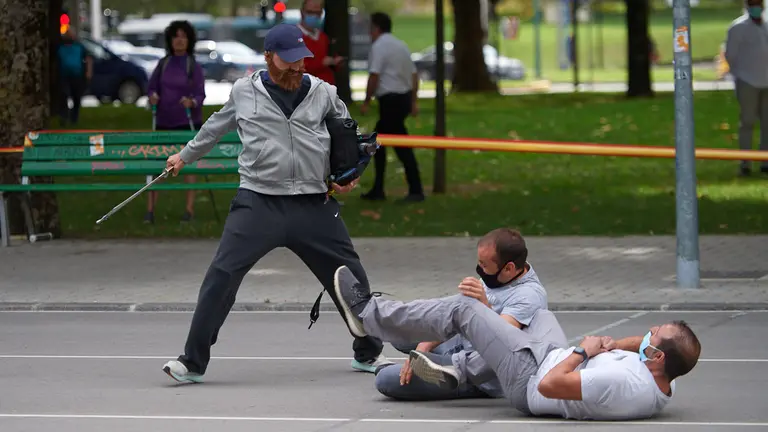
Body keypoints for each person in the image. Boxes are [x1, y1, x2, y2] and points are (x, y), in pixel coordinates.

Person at [160, 24, 393, 384]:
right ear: (268, 57)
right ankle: (192, 362)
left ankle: (369, 352)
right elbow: (214, 128)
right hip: (258, 203)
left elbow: (346, 135)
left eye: (302, 60)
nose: (297, 67)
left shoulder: (323, 92)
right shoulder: (244, 91)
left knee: (350, 278)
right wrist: (184, 156)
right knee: (220, 277)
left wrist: (349, 173)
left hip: (313, 204)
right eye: (288, 61)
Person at [332, 266, 702, 421]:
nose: (647, 332)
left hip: (530, 379)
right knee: (539, 316)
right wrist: (618, 344)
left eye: (653, 334)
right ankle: (469, 367)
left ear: (654, 356)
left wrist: (583, 351)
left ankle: (368, 315)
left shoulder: (623, 385)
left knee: (464, 309)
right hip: (545, 354)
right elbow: (643, 345)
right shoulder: (664, 372)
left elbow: (549, 386)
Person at [375, 228, 548, 401]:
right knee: (400, 332)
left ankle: (443, 372)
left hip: (480, 373)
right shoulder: (501, 276)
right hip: (463, 342)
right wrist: (423, 347)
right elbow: (454, 315)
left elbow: (498, 346)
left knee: (385, 379)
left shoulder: (528, 296)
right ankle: (430, 360)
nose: (480, 269)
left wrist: (483, 306)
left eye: (484, 265)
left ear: (509, 268)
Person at [145, 20, 206, 224]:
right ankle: (150, 210)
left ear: (189, 40)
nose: (179, 40)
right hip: (163, 122)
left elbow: (200, 94)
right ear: (170, 40)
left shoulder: (193, 66)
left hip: (186, 123)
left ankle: (189, 211)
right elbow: (151, 87)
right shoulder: (163, 64)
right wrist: (152, 96)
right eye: (175, 36)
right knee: (157, 166)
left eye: (183, 36)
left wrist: (192, 102)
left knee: (187, 166)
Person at [360, 12, 424, 203]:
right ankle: (380, 188)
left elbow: (374, 76)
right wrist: (413, 101)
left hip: (390, 101)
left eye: (370, 28)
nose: (369, 32)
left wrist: (366, 100)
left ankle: (414, 190)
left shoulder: (379, 47)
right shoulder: (401, 45)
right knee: (380, 142)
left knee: (397, 144)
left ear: (376, 28)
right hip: (402, 99)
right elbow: (414, 75)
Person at [725, 0, 768, 176]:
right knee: (748, 121)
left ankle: (765, 161)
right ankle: (745, 162)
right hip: (747, 81)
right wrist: (739, 74)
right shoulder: (737, 28)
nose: (757, 7)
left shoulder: (766, 25)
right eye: (753, 3)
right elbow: (730, 55)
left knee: (767, 123)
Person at [297, 0, 344, 84]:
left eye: (317, 13)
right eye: (310, 12)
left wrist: (336, 62)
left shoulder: (323, 37)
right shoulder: (292, 37)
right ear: (302, 12)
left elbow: (332, 62)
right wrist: (322, 63)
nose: (314, 16)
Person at [56, 27, 92, 126]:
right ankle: (64, 116)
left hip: (77, 76)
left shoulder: (79, 47)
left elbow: (88, 59)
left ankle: (74, 118)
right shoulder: (60, 47)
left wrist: (88, 73)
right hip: (64, 75)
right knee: (64, 95)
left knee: (76, 97)